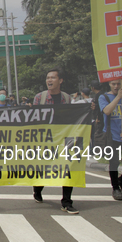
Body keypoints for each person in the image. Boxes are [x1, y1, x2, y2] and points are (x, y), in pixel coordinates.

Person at [31, 68, 77, 213]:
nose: (49, 80)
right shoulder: (40, 97)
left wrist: (89, 109)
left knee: (69, 168)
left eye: (53, 78)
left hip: (65, 139)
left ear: (60, 80)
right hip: (46, 139)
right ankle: (37, 189)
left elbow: (74, 116)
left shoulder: (68, 99)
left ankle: (67, 202)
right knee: (44, 170)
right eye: (47, 78)